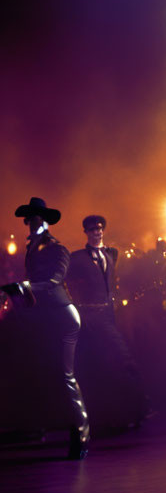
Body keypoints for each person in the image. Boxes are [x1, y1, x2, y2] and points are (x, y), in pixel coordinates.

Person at [1, 197, 89, 459]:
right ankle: (37, 425)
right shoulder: (32, 247)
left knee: (66, 377)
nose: (32, 223)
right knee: (40, 371)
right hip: (45, 316)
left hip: (63, 317)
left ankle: (82, 434)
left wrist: (23, 287)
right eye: (30, 219)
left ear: (46, 222)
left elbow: (53, 281)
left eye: (37, 219)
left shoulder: (57, 249)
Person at [67, 215, 147, 427]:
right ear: (86, 232)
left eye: (100, 229)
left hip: (111, 315)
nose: (97, 232)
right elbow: (67, 283)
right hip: (91, 318)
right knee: (113, 361)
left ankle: (127, 412)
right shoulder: (76, 258)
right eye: (93, 230)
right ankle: (125, 412)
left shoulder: (112, 253)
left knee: (112, 362)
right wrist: (79, 306)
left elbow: (111, 283)